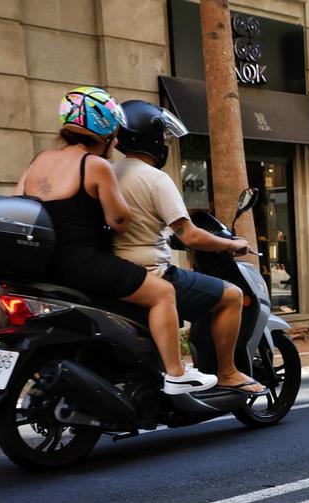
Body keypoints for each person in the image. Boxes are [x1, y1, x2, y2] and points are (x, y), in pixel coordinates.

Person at [15, 86, 215, 395]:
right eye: (115, 135)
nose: (117, 143)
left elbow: (18, 204)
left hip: (45, 264)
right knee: (162, 293)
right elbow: (119, 220)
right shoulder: (94, 165)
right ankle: (176, 374)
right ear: (105, 133)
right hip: (83, 263)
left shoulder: (38, 161)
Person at [111, 100, 264, 394]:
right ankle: (228, 372)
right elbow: (191, 235)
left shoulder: (107, 172)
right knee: (232, 295)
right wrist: (230, 244)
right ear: (151, 138)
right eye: (162, 136)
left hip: (118, 273)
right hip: (153, 273)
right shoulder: (156, 179)